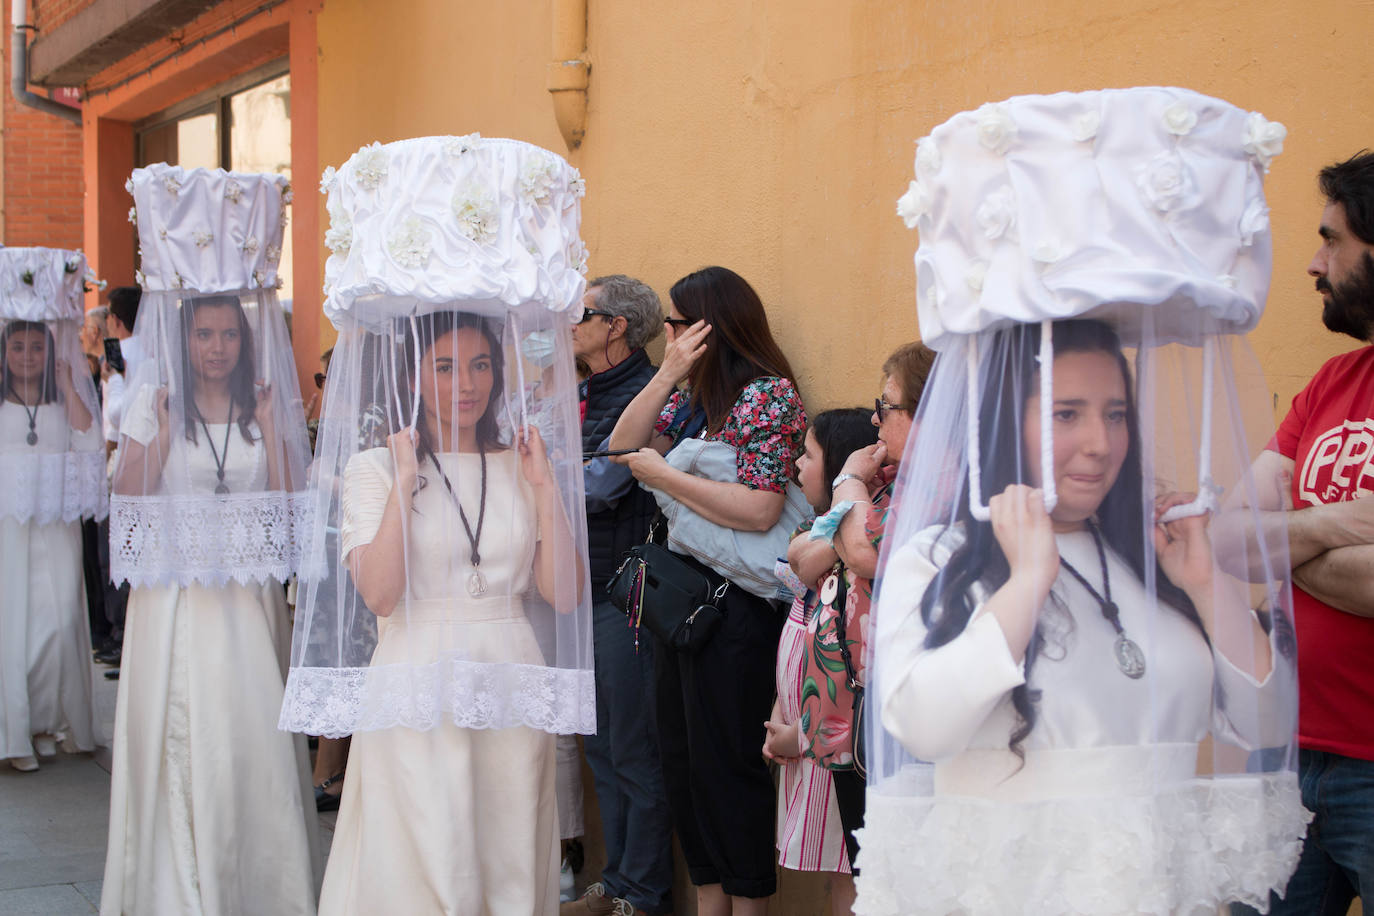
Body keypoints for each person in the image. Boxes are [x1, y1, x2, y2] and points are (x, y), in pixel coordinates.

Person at [858, 88, 1308, 915]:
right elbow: (919, 726)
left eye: (1115, 414)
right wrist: (1026, 583)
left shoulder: (1150, 560)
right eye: (1066, 415)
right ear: (1005, 425)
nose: (1099, 443)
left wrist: (1208, 585)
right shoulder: (944, 559)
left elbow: (1268, 717)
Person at [281, 135, 596, 915]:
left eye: (480, 366)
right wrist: (406, 482)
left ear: (500, 371)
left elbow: (561, 595)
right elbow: (381, 596)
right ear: (416, 374)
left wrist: (542, 487)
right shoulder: (375, 469)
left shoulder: (523, 462)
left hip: (508, 679)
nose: (466, 384)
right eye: (446, 367)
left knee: (503, 864)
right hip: (414, 685)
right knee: (425, 865)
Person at [102, 167, 319, 915]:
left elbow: (291, 498)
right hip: (177, 604)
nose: (218, 346)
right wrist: (159, 436)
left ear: (245, 338)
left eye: (230, 333)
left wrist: (277, 419)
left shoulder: (263, 408)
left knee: (250, 746)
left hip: (249, 607)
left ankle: (256, 883)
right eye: (205, 332)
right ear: (185, 336)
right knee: (183, 742)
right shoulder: (151, 403)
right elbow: (126, 500)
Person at [610, 265, 807, 914]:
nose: (667, 334)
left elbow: (757, 509)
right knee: (684, 769)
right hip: (681, 608)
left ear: (707, 327)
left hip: (739, 614)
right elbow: (622, 446)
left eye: (676, 323)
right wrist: (666, 373)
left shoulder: (768, 397)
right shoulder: (690, 394)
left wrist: (666, 478)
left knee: (729, 775)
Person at [1226, 150, 1374, 915]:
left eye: (1332, 240)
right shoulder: (1329, 385)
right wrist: (1332, 527)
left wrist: (1284, 543)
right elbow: (1227, 540)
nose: (1315, 265)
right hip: (1285, 755)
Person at [781, 341, 935, 891]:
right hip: (850, 718)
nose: (876, 418)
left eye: (887, 405)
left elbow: (866, 551)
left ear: (928, 412)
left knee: (893, 879)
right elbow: (804, 557)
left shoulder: (933, 486)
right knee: (872, 871)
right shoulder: (889, 482)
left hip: (896, 722)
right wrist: (846, 525)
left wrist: (847, 480)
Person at [562, 274, 676, 916]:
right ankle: (616, 879)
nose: (569, 322)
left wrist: (546, 476)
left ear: (617, 327)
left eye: (583, 312)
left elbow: (600, 485)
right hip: (585, 592)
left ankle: (645, 892)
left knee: (634, 749)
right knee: (601, 749)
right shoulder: (586, 390)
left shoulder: (645, 392)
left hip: (625, 595)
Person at [764, 406, 877, 914]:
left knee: (855, 880)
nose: (796, 465)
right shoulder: (822, 533)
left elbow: (846, 676)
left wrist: (802, 735)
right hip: (809, 739)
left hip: (834, 746)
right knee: (839, 882)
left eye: (808, 456)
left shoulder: (848, 543)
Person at [0, 248, 105, 772]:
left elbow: (90, 448)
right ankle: (18, 729)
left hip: (55, 528)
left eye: (34, 347)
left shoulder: (65, 403)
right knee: (13, 628)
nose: (25, 355)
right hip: (8, 533)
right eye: (16, 346)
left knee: (60, 622)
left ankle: (50, 721)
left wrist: (67, 382)